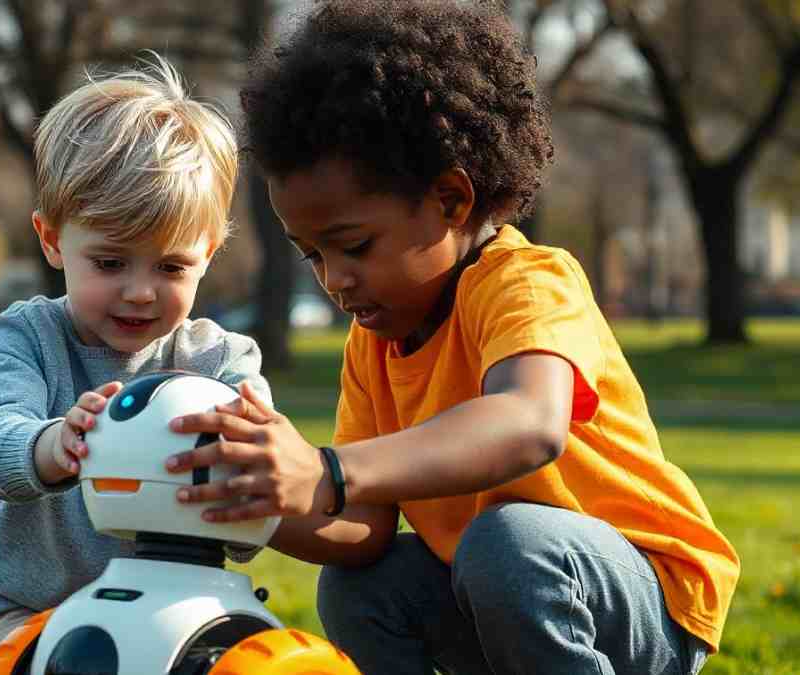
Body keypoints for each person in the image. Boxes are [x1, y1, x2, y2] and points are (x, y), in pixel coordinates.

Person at [165, 2, 740, 674]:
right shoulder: (372, 343)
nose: (335, 280)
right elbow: (366, 528)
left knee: (507, 543)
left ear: (451, 201)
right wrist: (265, 496)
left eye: (353, 246)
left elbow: (529, 422)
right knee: (359, 586)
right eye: (312, 255)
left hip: (642, 597)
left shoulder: (526, 282)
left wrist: (331, 470)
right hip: (500, 586)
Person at [0, 55, 271, 675]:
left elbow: (255, 509)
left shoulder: (220, 360)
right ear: (52, 240)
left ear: (208, 254)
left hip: (185, 612)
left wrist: (251, 471)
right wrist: (55, 443)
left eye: (170, 267)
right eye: (109, 263)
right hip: (34, 612)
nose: (139, 291)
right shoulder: (25, 338)